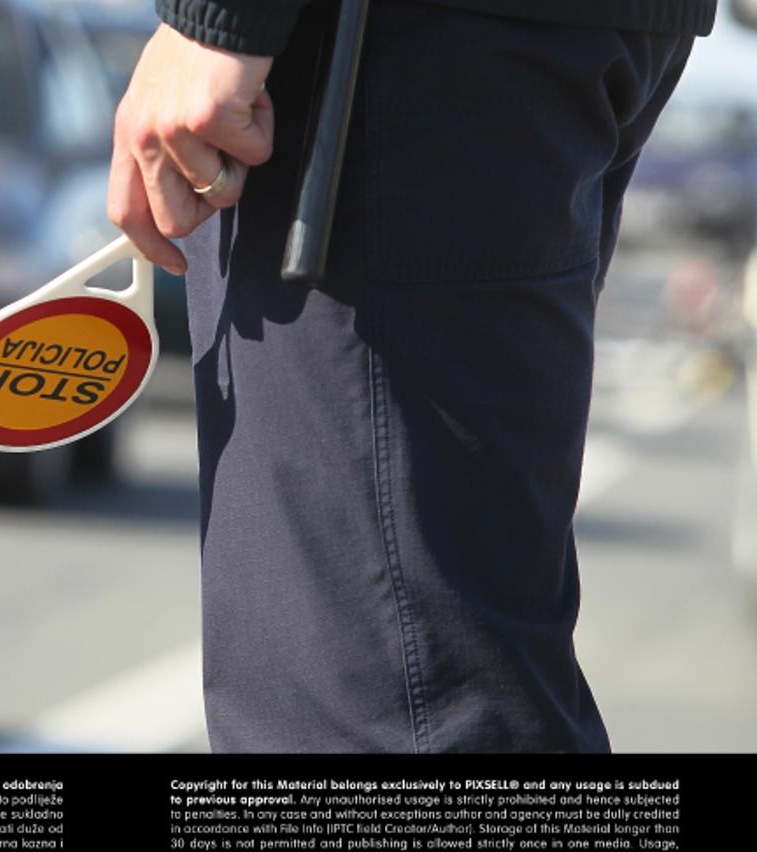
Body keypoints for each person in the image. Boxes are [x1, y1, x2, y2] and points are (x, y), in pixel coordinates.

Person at [108, 0, 718, 752]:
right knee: (438, 657)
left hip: (383, 48)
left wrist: (218, 20)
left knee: (381, 701)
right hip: (517, 41)